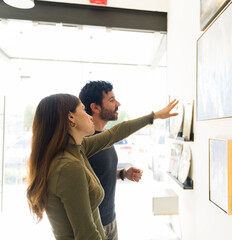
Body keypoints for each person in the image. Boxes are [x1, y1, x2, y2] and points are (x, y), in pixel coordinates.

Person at [26, 93, 178, 240]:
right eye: (84, 110)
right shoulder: (68, 166)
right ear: (71, 117)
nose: (89, 116)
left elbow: (115, 133)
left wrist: (154, 116)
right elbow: (87, 234)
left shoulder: (78, 149)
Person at [78, 80, 144, 240]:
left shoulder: (105, 136)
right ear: (95, 107)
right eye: (112, 100)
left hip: (110, 220)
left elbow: (96, 174)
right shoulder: (83, 142)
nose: (118, 104)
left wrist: (123, 174)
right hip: (93, 227)